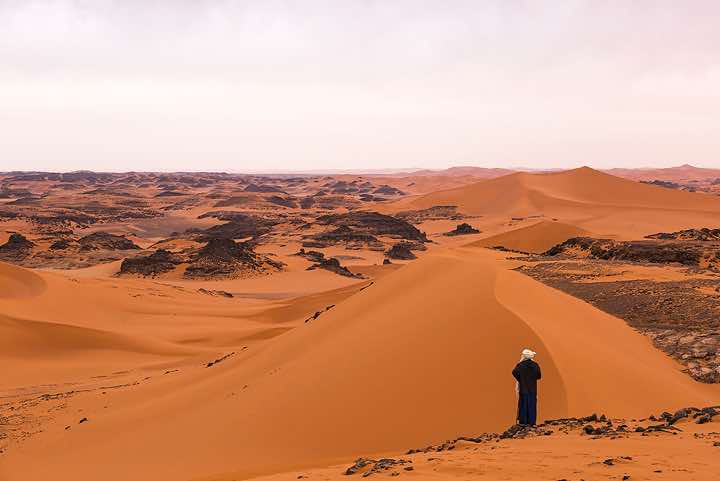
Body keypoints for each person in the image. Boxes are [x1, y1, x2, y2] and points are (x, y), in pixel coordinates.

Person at [512, 348, 542, 426]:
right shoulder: (535, 365)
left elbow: (514, 372)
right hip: (533, 389)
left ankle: (523, 421)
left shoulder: (520, 365)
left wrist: (520, 379)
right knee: (532, 404)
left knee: (523, 404)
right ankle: (532, 422)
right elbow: (539, 376)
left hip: (523, 388)